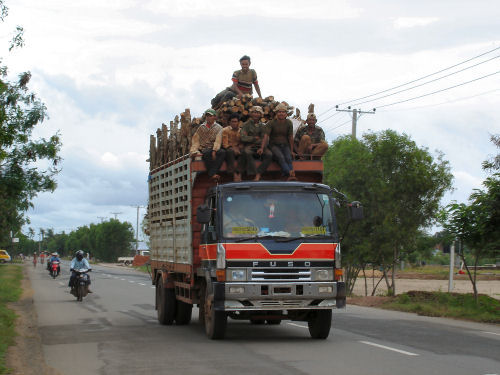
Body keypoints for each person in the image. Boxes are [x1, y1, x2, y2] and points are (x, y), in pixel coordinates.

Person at [261, 103, 296, 181]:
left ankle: (287, 173)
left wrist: (292, 150)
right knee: (281, 157)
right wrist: (262, 147)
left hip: (285, 144)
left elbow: (290, 137)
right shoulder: (271, 123)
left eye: (283, 112)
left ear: (286, 114)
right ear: (276, 113)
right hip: (274, 145)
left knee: (288, 158)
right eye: (279, 112)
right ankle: (290, 173)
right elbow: (266, 136)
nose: (281, 113)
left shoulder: (289, 123)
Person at [190, 109, 226, 181]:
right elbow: (196, 140)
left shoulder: (219, 128)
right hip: (204, 148)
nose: (208, 118)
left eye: (210, 116)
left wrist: (214, 150)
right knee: (206, 153)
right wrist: (193, 150)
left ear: (215, 117)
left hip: (214, 147)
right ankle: (213, 174)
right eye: (207, 116)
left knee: (222, 152)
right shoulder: (201, 127)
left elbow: (218, 140)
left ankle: (212, 173)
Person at [239, 106, 272, 181]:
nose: (256, 114)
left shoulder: (263, 126)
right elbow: (243, 137)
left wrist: (262, 148)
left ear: (260, 115)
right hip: (249, 146)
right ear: (251, 114)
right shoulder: (246, 125)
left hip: (260, 146)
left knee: (269, 154)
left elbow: (265, 138)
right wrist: (254, 138)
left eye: (258, 113)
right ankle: (252, 173)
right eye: (254, 112)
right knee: (246, 152)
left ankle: (258, 174)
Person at [221, 113, 242, 181]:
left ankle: (240, 173)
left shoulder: (241, 131)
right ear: (229, 122)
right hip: (229, 148)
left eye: (235, 121)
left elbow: (243, 142)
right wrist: (233, 148)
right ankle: (233, 174)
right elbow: (225, 144)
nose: (234, 123)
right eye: (232, 121)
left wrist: (238, 148)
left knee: (244, 152)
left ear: (238, 122)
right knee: (229, 152)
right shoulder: (225, 130)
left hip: (238, 148)